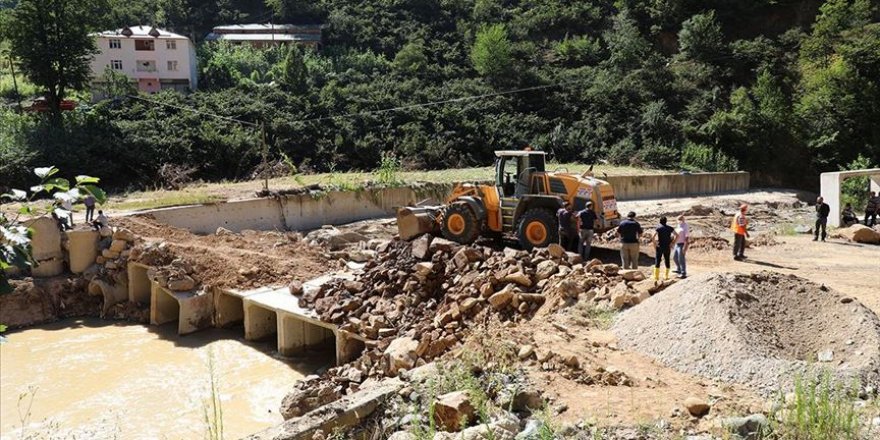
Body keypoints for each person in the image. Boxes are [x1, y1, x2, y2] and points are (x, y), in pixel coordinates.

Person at [652, 216, 677, 280]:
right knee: (667, 260)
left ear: (660, 221)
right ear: (666, 221)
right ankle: (666, 276)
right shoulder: (670, 228)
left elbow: (653, 237)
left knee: (657, 260)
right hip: (667, 246)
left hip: (660, 246)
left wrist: (655, 243)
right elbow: (676, 235)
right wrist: (672, 243)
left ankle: (656, 277)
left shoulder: (658, 228)